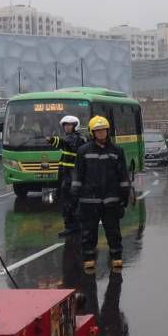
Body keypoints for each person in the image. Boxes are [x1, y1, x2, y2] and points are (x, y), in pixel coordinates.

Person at [72, 115, 131, 273]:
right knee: (88, 232)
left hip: (111, 200)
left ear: (108, 131)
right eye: (97, 131)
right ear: (92, 133)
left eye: (103, 131)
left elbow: (123, 177)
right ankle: (89, 259)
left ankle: (116, 258)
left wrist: (124, 197)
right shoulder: (83, 151)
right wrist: (74, 196)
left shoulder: (117, 151)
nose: (101, 134)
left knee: (113, 232)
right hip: (88, 201)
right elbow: (78, 175)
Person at [48, 114, 86, 236]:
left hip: (73, 174)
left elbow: (64, 142)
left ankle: (75, 226)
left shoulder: (77, 138)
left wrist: (53, 139)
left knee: (72, 201)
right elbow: (62, 143)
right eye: (65, 125)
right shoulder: (68, 138)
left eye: (69, 125)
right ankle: (70, 226)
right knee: (66, 201)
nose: (66, 127)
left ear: (75, 126)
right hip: (66, 175)